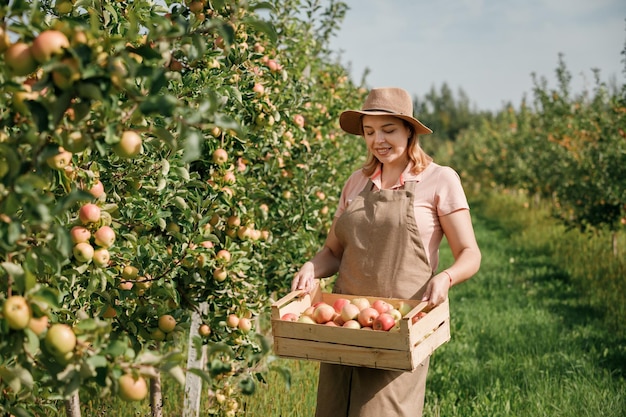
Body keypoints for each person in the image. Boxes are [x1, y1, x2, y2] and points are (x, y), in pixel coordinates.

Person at [291, 87, 481, 417]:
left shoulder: (439, 180)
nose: (378, 140)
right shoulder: (356, 183)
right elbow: (333, 252)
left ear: (409, 131)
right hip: (342, 325)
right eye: (369, 131)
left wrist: (446, 278)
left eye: (388, 130)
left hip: (398, 328)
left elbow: (470, 253)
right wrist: (311, 266)